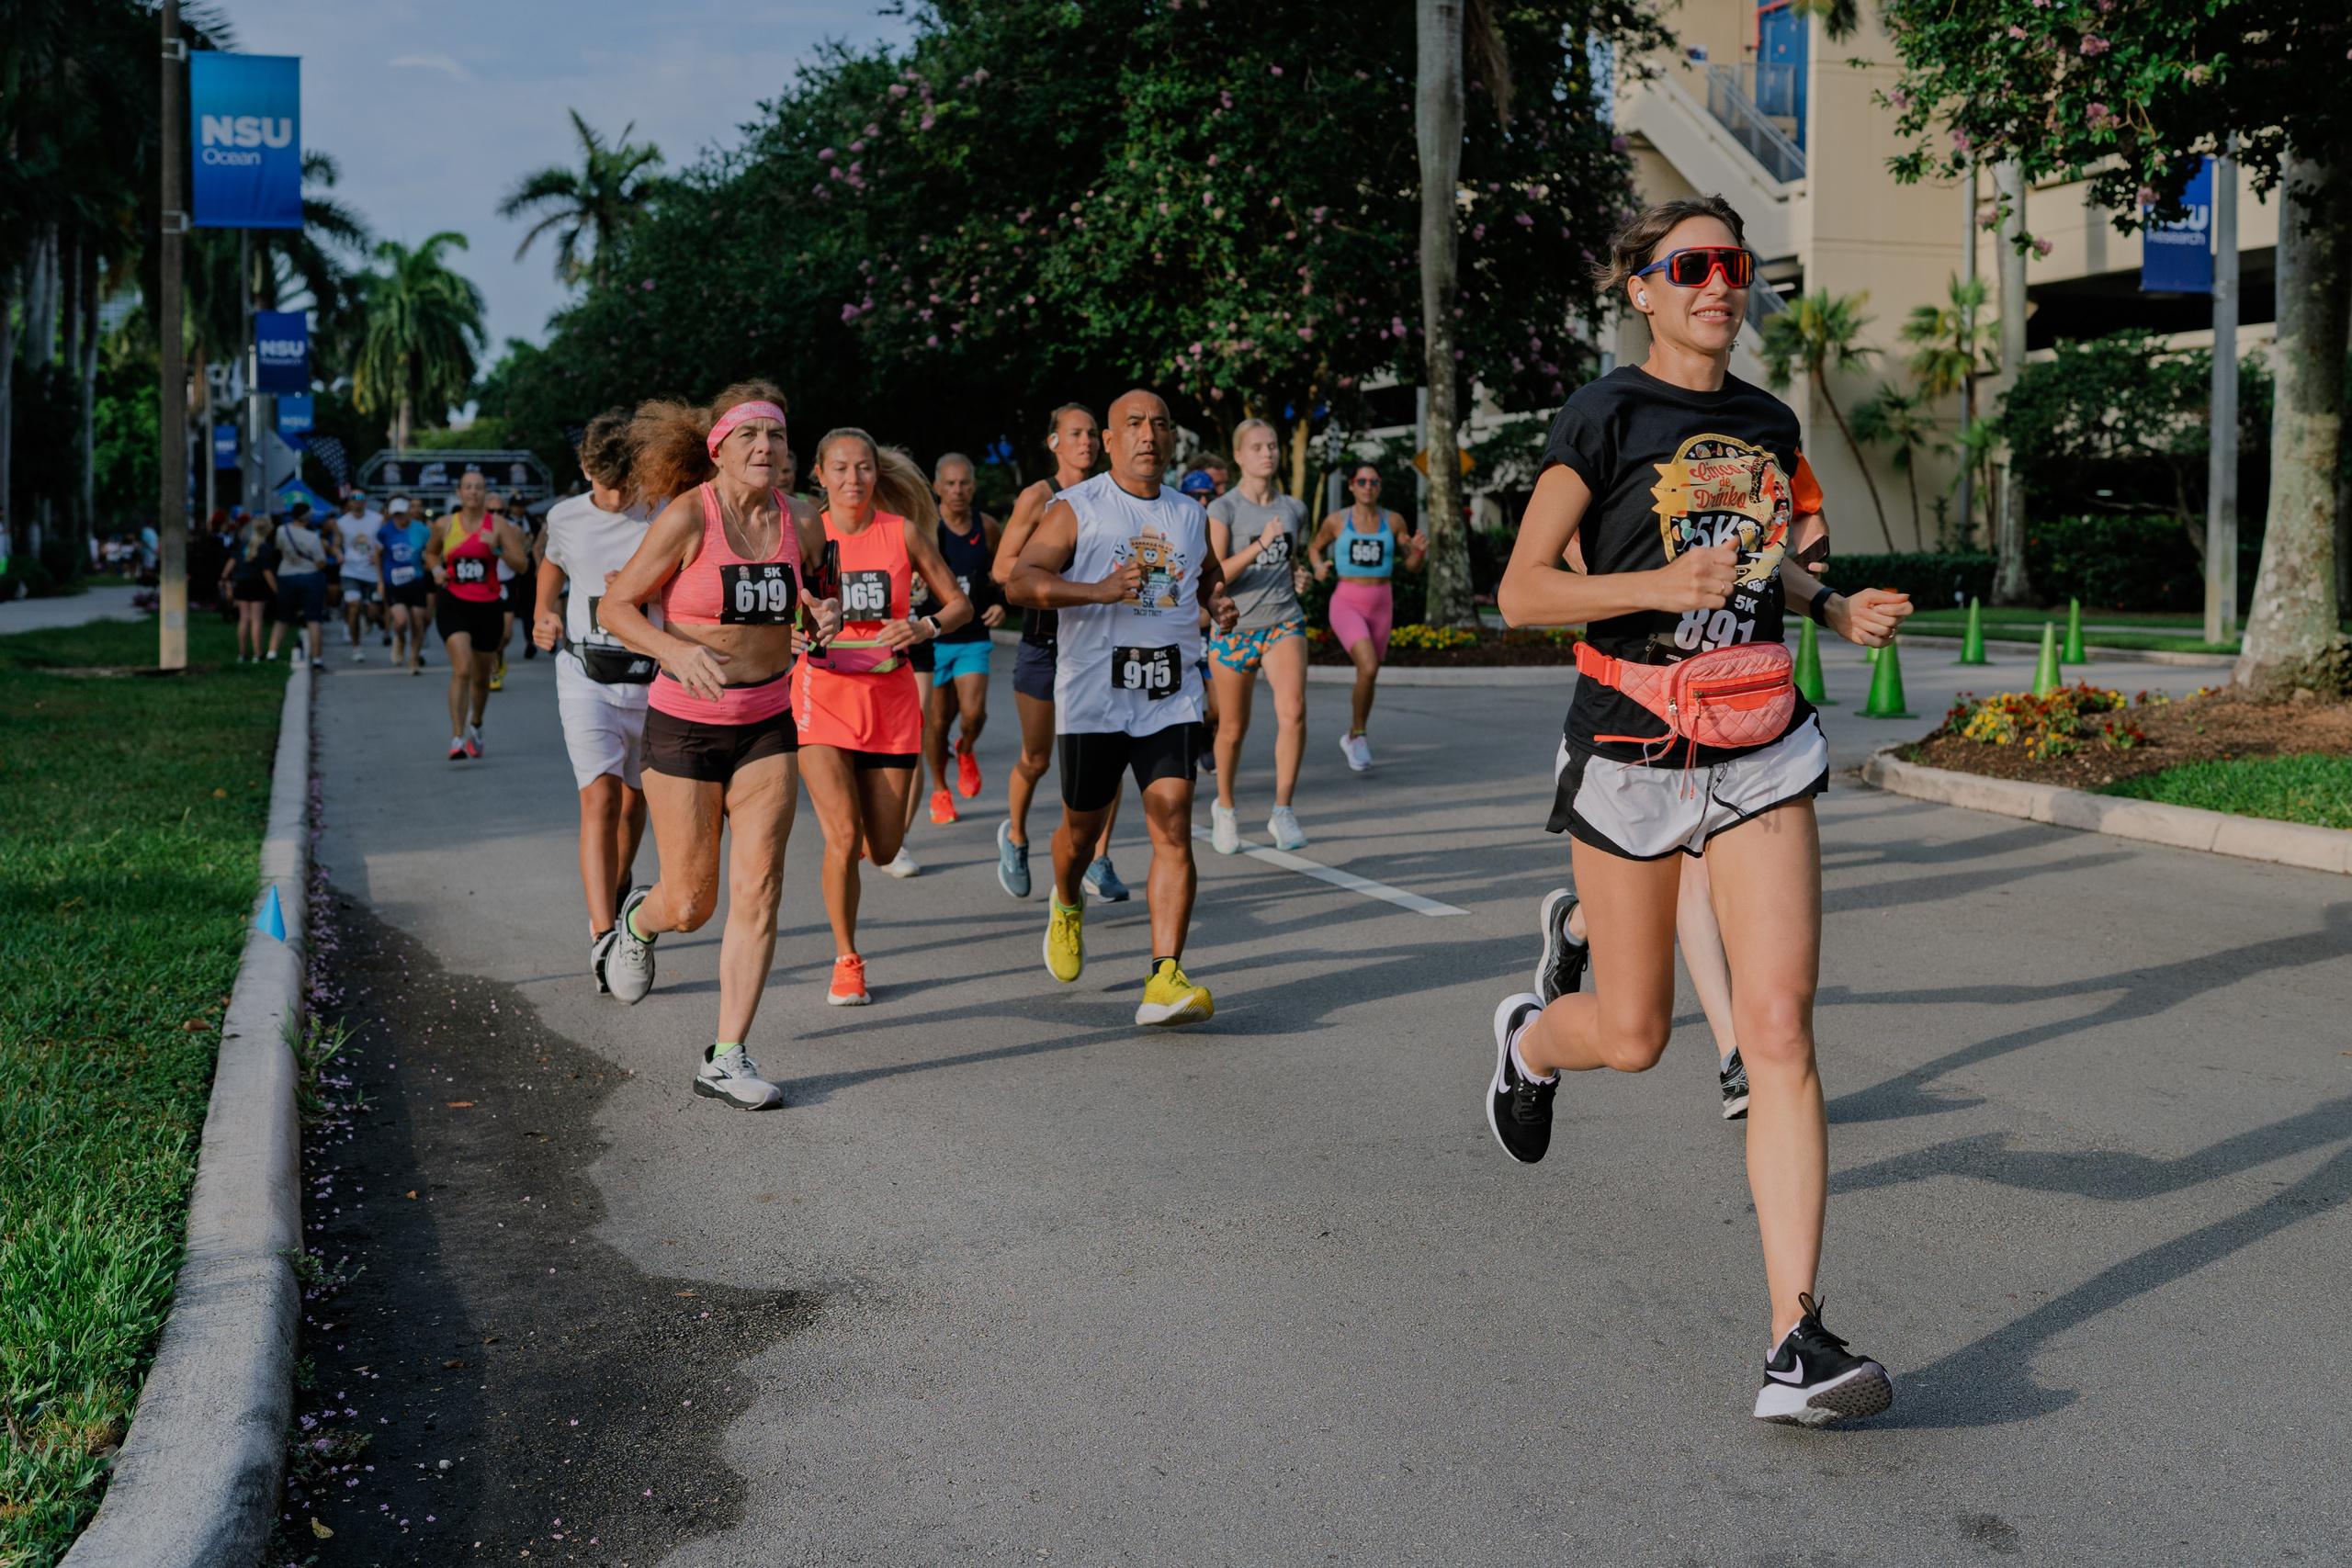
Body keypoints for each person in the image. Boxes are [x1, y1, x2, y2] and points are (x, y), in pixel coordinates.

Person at [1483, 194, 1913, 1426]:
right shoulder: (1604, 411)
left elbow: (1760, 546)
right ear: (1644, 287)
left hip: (1760, 743)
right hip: (1627, 748)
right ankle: (1526, 1035)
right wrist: (1657, 582)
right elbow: (1522, 591)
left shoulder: (1768, 422)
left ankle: (1798, 1338)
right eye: (1692, 263)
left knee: (1778, 1029)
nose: (1719, 281)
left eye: (1735, 263)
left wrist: (1829, 609)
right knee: (1633, 1034)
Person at [597, 383, 841, 1108]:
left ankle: (727, 1053)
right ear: (719, 449)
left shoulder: (804, 518)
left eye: (777, 436)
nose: (766, 448)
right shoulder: (686, 518)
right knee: (693, 902)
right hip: (687, 723)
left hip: (768, 720)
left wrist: (818, 612)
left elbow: (814, 593)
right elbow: (616, 607)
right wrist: (673, 649)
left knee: (760, 886)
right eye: (750, 437)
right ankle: (638, 920)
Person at [1006, 389, 1237, 1027]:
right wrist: (1095, 590)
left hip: (1170, 691)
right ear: (1109, 440)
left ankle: (1164, 975)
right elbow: (1019, 580)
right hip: (1094, 695)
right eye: (1133, 424)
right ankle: (1065, 898)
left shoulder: (1189, 513)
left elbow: (1208, 571)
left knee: (1172, 817)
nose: (1148, 435)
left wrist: (1217, 600)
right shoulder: (1076, 508)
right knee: (1081, 834)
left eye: (1160, 425)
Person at [796, 433, 973, 1006]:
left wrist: (924, 627)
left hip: (890, 703)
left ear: (877, 473)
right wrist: (791, 630)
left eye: (864, 468)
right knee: (842, 837)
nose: (853, 478)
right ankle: (847, 960)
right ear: (820, 475)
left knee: (888, 846)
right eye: (841, 468)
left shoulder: (902, 533)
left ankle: (874, 845)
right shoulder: (803, 534)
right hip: (821, 698)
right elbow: (771, 606)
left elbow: (958, 603)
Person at [533, 409, 659, 992]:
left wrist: (639, 586)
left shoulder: (663, 510)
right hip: (586, 674)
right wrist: (543, 611)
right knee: (600, 800)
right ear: (585, 469)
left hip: (654, 678)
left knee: (635, 807)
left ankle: (619, 879)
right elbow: (551, 563)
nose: (618, 496)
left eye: (628, 481)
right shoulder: (564, 517)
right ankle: (605, 937)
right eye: (607, 484)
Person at [987, 404, 1125, 902]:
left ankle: (1100, 859)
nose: (1085, 442)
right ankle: (1017, 836)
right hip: (1045, 643)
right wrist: (1069, 585)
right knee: (1038, 757)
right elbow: (1004, 569)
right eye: (1075, 434)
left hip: (1098, 643)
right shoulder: (1039, 497)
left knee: (1111, 752)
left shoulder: (1113, 496)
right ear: (1054, 443)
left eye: (1092, 434)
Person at [1204, 420, 1312, 852]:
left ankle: (1283, 811)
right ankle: (1225, 809)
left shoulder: (1294, 509)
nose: (1267, 453)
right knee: (1231, 728)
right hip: (1233, 627)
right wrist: (1257, 546)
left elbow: (1291, 560)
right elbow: (1214, 576)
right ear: (1239, 456)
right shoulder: (1223, 509)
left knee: (1294, 711)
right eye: (1257, 447)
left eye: (1272, 445)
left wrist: (1298, 576)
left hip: (1283, 620)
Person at [1307, 464, 1427, 773]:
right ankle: (1357, 735)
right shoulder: (1337, 521)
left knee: (1369, 672)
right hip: (1347, 600)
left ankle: (1355, 734)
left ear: (1379, 486)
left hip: (1381, 603)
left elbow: (1412, 566)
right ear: (1352, 486)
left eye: (1374, 481)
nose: (1368, 486)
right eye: (1362, 481)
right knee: (1369, 665)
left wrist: (1419, 552)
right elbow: (1315, 547)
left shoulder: (1393, 520)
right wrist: (1318, 567)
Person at [424, 469, 533, 760]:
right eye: (468, 487)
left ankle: (476, 725)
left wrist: (497, 547)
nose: (473, 492)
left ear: (485, 493)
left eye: (479, 487)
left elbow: (522, 565)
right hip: (454, 604)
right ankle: (457, 738)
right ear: (459, 493)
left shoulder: (498, 525)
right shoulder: (445, 525)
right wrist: (436, 571)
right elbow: (431, 553)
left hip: (488, 606)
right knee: (462, 669)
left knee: (482, 678)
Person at [921, 452, 1004, 825]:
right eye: (950, 483)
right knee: (937, 722)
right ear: (936, 487)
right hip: (933, 637)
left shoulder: (986, 527)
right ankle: (940, 789)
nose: (957, 490)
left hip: (972, 635)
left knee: (974, 713)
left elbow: (1003, 573)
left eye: (964, 483)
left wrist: (1002, 603)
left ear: (973, 485)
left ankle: (966, 747)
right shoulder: (924, 527)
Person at [265, 502, 335, 665]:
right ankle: (317, 659)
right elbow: (321, 563)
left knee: (282, 617)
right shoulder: (312, 538)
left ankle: (272, 653)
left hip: (286, 575)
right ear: (308, 517)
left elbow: (277, 549)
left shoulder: (282, 531)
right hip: (310, 577)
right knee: (314, 618)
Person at [377, 498, 431, 674]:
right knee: (400, 621)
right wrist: (380, 581)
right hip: (393, 582)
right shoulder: (385, 532)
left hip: (416, 581)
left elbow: (432, 551)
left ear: (408, 511)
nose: (399, 517)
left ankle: (414, 659)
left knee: (417, 621)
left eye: (402, 513)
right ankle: (399, 640)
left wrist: (431, 563)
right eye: (396, 514)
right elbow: (377, 555)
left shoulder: (421, 530)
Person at [334, 491, 383, 661]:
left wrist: (379, 553)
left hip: (371, 571)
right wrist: (338, 554)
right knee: (353, 605)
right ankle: (356, 648)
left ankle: (368, 619)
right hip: (351, 571)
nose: (357, 502)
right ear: (349, 502)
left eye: (361, 499)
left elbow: (383, 541)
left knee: (373, 614)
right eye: (354, 499)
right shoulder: (341, 523)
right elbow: (336, 544)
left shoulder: (376, 519)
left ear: (366, 501)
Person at [224, 512, 276, 661]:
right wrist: (276, 590)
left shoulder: (243, 544)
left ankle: (242, 653)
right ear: (268, 530)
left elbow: (232, 561)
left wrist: (223, 577)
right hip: (257, 584)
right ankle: (258, 654)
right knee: (256, 619)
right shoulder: (265, 548)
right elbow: (267, 572)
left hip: (242, 583)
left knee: (244, 619)